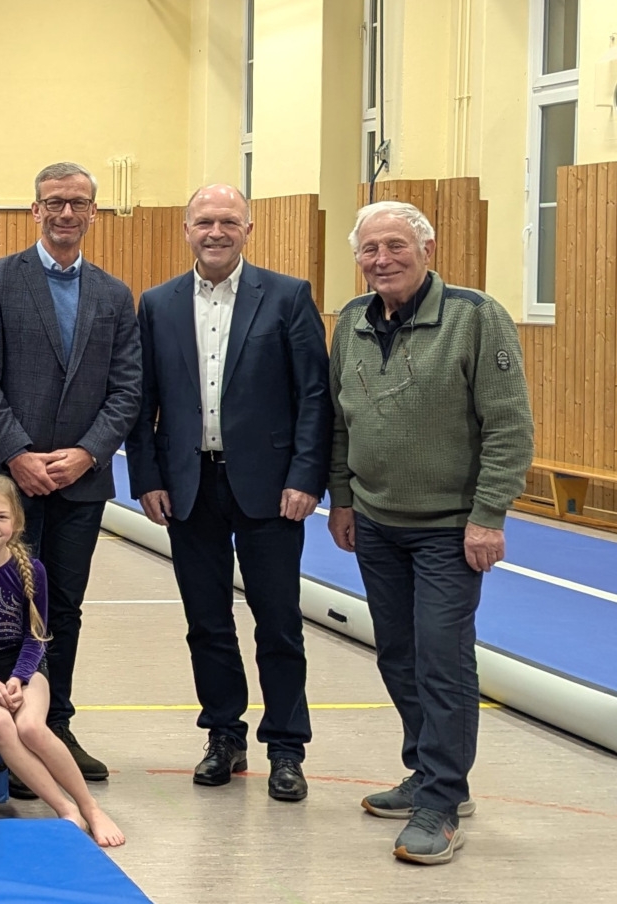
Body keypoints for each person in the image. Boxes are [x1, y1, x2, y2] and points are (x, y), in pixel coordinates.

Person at [326, 201, 533, 866]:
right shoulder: (352, 321)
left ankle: (440, 803)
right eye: (369, 250)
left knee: (443, 659)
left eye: (396, 246)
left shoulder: (475, 317)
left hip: (450, 528)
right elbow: (339, 421)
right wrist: (342, 498)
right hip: (377, 522)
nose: (382, 259)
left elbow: (508, 426)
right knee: (397, 655)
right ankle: (428, 769)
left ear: (428, 249)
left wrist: (489, 514)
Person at [126, 185, 329, 802]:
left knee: (279, 622)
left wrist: (305, 478)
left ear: (248, 228)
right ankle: (223, 736)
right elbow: (143, 402)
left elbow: (314, 396)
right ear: (186, 229)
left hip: (270, 489)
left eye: (228, 222)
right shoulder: (157, 304)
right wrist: (148, 478)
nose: (216, 232)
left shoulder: (288, 297)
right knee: (207, 623)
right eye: (205, 221)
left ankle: (287, 748)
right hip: (188, 486)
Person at [0, 160, 140, 785]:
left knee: (62, 607)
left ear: (95, 212)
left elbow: (127, 388)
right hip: (7, 481)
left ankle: (55, 723)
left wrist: (88, 453)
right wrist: (17, 456)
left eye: (79, 204)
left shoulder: (116, 296)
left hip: (80, 483)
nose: (67, 213)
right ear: (34, 209)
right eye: (54, 202)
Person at [0, 474, 123, 848]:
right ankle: (63, 808)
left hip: (26, 667)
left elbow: (36, 635)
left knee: (33, 729)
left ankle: (90, 807)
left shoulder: (32, 569)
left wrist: (20, 678)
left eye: (1, 517)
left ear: (17, 523)